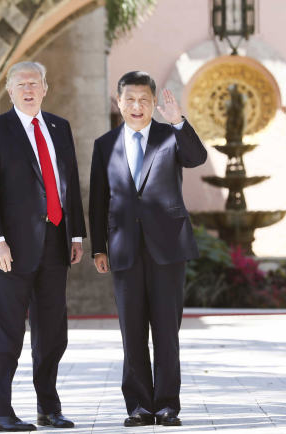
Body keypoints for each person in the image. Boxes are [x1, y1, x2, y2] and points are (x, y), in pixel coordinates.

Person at [0, 61, 86, 432]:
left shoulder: (59, 127)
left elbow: (70, 183)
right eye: (21, 84)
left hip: (55, 244)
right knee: (5, 333)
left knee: (52, 334)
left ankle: (48, 408)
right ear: (9, 90)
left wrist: (76, 234)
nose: (28, 89)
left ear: (45, 88)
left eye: (34, 83)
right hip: (9, 250)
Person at [89, 71, 207, 428]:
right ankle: (140, 406)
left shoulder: (170, 136)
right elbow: (98, 200)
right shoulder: (105, 144)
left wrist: (178, 121)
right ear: (119, 102)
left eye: (144, 100)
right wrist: (99, 248)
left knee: (167, 332)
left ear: (154, 103)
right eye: (130, 99)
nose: (137, 106)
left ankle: (167, 405)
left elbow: (197, 157)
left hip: (168, 248)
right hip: (124, 248)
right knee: (133, 331)